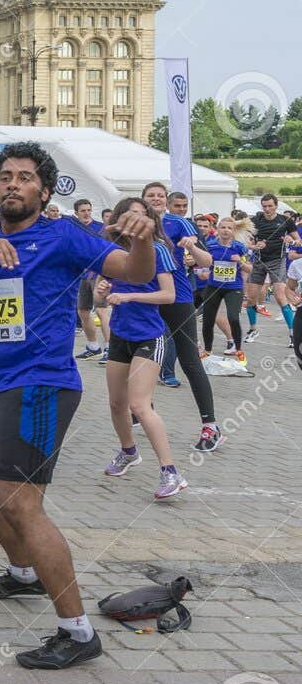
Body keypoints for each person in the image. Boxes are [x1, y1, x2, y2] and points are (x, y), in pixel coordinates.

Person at [0, 141, 158, 669]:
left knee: (23, 503)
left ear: (44, 191)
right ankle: (23, 573)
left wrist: (144, 243)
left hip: (42, 383)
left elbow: (133, 272)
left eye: (25, 177)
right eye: (5, 175)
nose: (12, 183)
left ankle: (76, 632)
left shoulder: (64, 235)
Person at [95, 196, 186, 499]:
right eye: (130, 214)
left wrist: (130, 297)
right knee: (116, 403)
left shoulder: (158, 249)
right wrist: (102, 291)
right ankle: (128, 452)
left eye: (142, 214)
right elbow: (100, 298)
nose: (136, 220)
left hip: (149, 336)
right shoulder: (112, 252)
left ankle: (171, 472)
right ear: (119, 219)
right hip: (120, 335)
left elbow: (168, 295)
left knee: (139, 405)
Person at [141, 183, 219, 452]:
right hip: (144, 298)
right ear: (142, 200)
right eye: (150, 196)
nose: (156, 200)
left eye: (160, 196)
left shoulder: (179, 224)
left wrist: (192, 249)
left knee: (189, 359)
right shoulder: (135, 223)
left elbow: (206, 261)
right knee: (140, 356)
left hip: (177, 298)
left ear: (166, 200)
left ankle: (210, 424)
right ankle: (141, 407)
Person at [246, 193, 296, 337]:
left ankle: (293, 333)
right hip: (259, 261)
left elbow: (298, 241)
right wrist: (255, 246)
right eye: (264, 206)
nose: (267, 209)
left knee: (280, 297)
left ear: (276, 206)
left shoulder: (285, 220)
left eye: (270, 206)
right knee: (251, 298)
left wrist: (290, 241)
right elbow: (247, 242)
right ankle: (253, 329)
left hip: (277, 261)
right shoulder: (255, 220)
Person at [202, 217, 251, 360]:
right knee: (208, 320)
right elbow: (202, 263)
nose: (226, 230)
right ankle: (207, 351)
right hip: (213, 287)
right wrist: (203, 271)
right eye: (223, 227)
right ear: (217, 229)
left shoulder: (239, 247)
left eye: (229, 228)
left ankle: (239, 350)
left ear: (233, 231)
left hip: (233, 287)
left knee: (233, 318)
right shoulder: (209, 245)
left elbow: (249, 269)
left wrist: (240, 262)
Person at [70, 199, 108, 360]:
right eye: (83, 210)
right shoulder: (73, 229)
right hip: (81, 275)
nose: (86, 213)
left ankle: (110, 348)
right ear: (76, 213)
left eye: (88, 210)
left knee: (101, 310)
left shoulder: (101, 228)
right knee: (83, 311)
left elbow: (107, 251)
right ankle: (93, 346)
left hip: (98, 274)